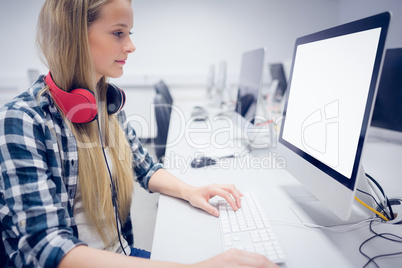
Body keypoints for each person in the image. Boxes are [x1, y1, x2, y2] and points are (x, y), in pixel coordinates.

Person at [0, 0, 278, 267]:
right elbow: (47, 249)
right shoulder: (23, 119)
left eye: (129, 33)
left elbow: (144, 167)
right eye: (118, 33)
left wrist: (191, 190)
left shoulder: (106, 102)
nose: (131, 46)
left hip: (121, 255)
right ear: (74, 35)